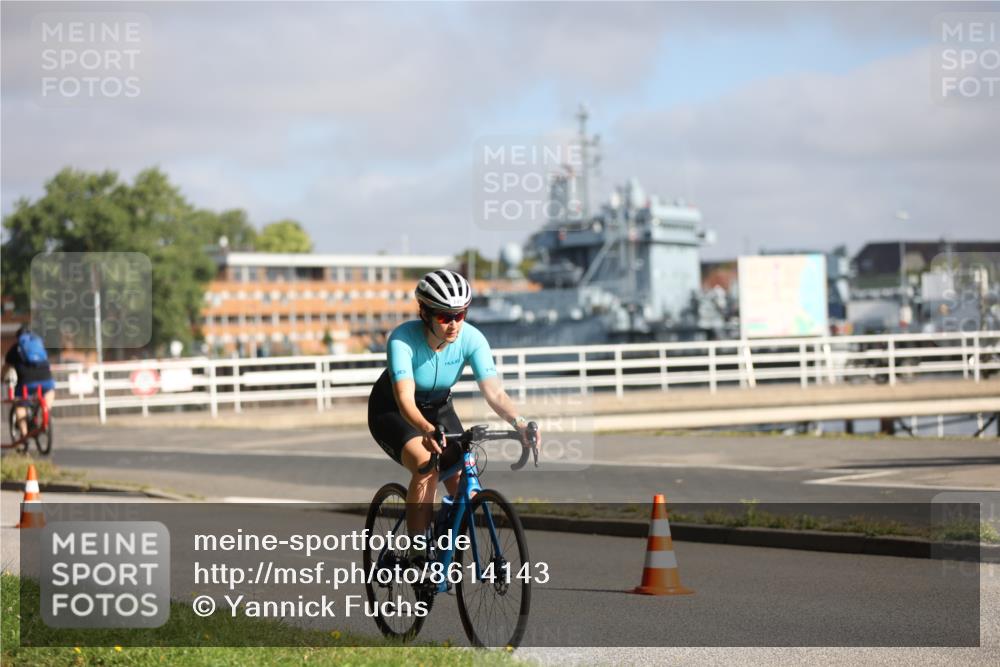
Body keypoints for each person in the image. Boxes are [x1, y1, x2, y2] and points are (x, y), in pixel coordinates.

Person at [368, 269, 539, 541]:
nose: (454, 325)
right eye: (445, 316)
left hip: (439, 408)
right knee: (426, 464)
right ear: (425, 313)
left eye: (460, 315)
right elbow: (404, 400)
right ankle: (417, 549)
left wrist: (518, 422)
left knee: (463, 479)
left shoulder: (472, 339)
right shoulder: (403, 340)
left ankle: (447, 543)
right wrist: (425, 429)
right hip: (394, 410)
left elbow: (495, 393)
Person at [2, 325, 56, 438]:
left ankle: (24, 434)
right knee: (50, 390)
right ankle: (45, 414)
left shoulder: (15, 349)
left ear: (18, 338)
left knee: (19, 403)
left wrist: (2, 378)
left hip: (27, 381)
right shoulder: (39, 345)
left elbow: (5, 368)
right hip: (46, 378)